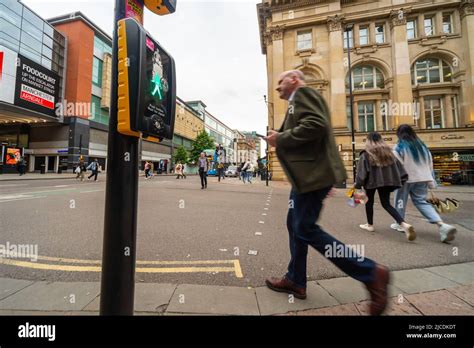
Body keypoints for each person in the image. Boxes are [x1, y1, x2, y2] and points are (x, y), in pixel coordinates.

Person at [263, 70, 389, 316]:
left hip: (311, 177)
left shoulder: (303, 94)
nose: (277, 87)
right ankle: (296, 280)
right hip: (309, 177)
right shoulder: (296, 101)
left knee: (305, 228)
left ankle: (371, 273)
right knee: (295, 224)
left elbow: (316, 126)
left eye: (281, 81)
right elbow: (319, 135)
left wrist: (281, 138)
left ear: (295, 80)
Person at [392, 124, 457, 243]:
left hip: (405, 179)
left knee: (400, 200)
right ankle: (441, 225)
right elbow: (430, 164)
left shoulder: (398, 147)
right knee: (422, 202)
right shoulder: (422, 147)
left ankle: (400, 223)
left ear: (399, 134)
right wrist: (432, 181)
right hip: (422, 178)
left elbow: (397, 165)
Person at [355, 132, 415, 241]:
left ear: (368, 141)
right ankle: (404, 224)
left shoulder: (366, 154)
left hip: (371, 182)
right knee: (386, 204)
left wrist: (358, 185)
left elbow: (361, 173)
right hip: (386, 182)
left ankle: (370, 225)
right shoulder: (389, 154)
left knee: (369, 202)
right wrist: (401, 179)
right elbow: (399, 169)